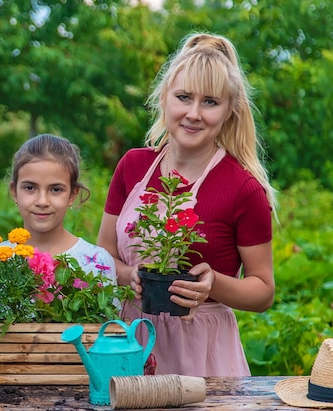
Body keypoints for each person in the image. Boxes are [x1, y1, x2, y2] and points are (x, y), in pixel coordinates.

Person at [97, 32, 277, 377]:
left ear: (229, 111)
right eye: (183, 97)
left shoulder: (243, 189)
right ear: (164, 98)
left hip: (203, 352)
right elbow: (104, 253)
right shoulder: (132, 166)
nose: (194, 113)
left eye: (210, 102)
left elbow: (263, 291)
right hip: (131, 340)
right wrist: (129, 275)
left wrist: (214, 283)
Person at [0, 133, 118, 381]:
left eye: (56, 189)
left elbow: (109, 341)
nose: (42, 201)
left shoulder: (96, 260)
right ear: (14, 191)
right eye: (30, 188)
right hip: (9, 389)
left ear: (73, 195)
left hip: (78, 388)